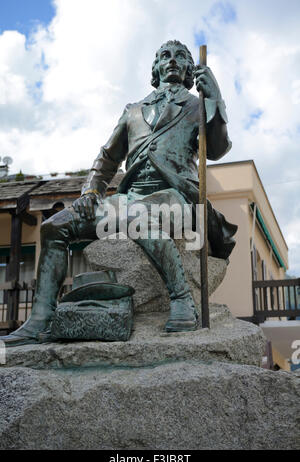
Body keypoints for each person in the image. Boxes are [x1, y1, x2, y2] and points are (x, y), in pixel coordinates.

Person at [3, 39, 237, 346]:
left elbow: (217, 149)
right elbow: (108, 159)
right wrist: (90, 191)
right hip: (129, 196)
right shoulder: (133, 111)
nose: (172, 61)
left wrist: (215, 100)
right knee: (53, 227)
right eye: (165, 56)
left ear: (190, 69)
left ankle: (182, 300)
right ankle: (41, 317)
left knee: (136, 216)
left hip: (175, 194)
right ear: (155, 68)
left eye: (180, 57)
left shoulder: (196, 105)